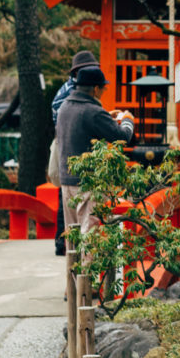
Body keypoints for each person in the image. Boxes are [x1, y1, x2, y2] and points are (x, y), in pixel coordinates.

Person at [55, 65, 134, 237]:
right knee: (89, 235)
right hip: (87, 183)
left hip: (67, 180)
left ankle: (72, 265)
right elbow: (122, 136)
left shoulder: (65, 107)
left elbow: (82, 126)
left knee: (73, 234)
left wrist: (106, 117)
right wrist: (128, 119)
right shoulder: (93, 112)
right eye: (103, 88)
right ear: (96, 89)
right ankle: (87, 266)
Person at [51, 50, 98, 256]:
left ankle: (65, 246)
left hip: (67, 143)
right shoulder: (71, 92)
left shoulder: (71, 88)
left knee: (67, 196)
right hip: (69, 144)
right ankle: (62, 244)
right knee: (68, 197)